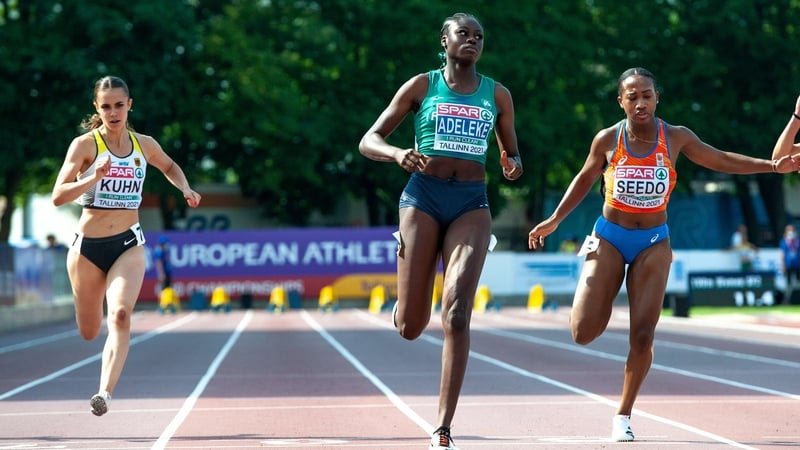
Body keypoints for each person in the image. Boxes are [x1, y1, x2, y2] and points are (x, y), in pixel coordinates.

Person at [527, 67, 798, 442]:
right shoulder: (607, 139)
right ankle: (601, 295)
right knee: (583, 332)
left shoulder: (676, 137)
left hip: (654, 241)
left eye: (647, 95)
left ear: (657, 98)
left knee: (642, 335)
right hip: (609, 238)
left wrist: (770, 165)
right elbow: (585, 178)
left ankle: (622, 415)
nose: (641, 102)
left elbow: (720, 160)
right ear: (621, 101)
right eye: (633, 96)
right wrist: (555, 220)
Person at [358, 12, 523, 449]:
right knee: (412, 325)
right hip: (422, 199)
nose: (472, 40)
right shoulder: (422, 86)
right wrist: (396, 155)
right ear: (444, 41)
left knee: (456, 313)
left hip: (472, 203)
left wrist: (512, 163)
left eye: (479, 36)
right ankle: (403, 299)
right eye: (463, 34)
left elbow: (512, 152)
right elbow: (369, 139)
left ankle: (443, 426)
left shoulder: (498, 95)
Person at [51, 75, 201, 417]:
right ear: (97, 109)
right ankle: (89, 317)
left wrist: (185, 188)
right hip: (87, 248)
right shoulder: (85, 146)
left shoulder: (144, 144)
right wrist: (92, 177)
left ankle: (104, 392)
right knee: (89, 331)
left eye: (119, 105)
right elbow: (58, 196)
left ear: (129, 105)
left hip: (128, 243)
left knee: (119, 314)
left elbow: (170, 166)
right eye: (106, 106)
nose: (113, 112)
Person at [778, 224, 800, 303]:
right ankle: (787, 300)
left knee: (798, 282)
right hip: (789, 265)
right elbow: (782, 254)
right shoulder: (784, 241)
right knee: (789, 284)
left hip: (798, 265)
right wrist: (783, 265)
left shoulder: (798, 241)